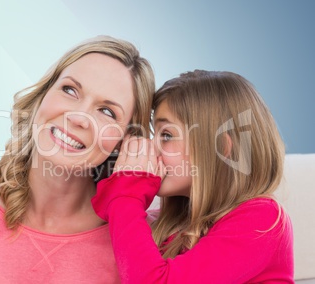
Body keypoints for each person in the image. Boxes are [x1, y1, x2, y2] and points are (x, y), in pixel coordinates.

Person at [0, 36, 155, 283]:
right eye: (70, 90)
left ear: (127, 140)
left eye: (107, 112)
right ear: (43, 94)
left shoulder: (142, 238)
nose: (79, 117)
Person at [92, 70, 294, 283]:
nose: (152, 147)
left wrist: (126, 195)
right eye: (154, 134)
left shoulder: (263, 220)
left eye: (167, 135)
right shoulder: (167, 223)